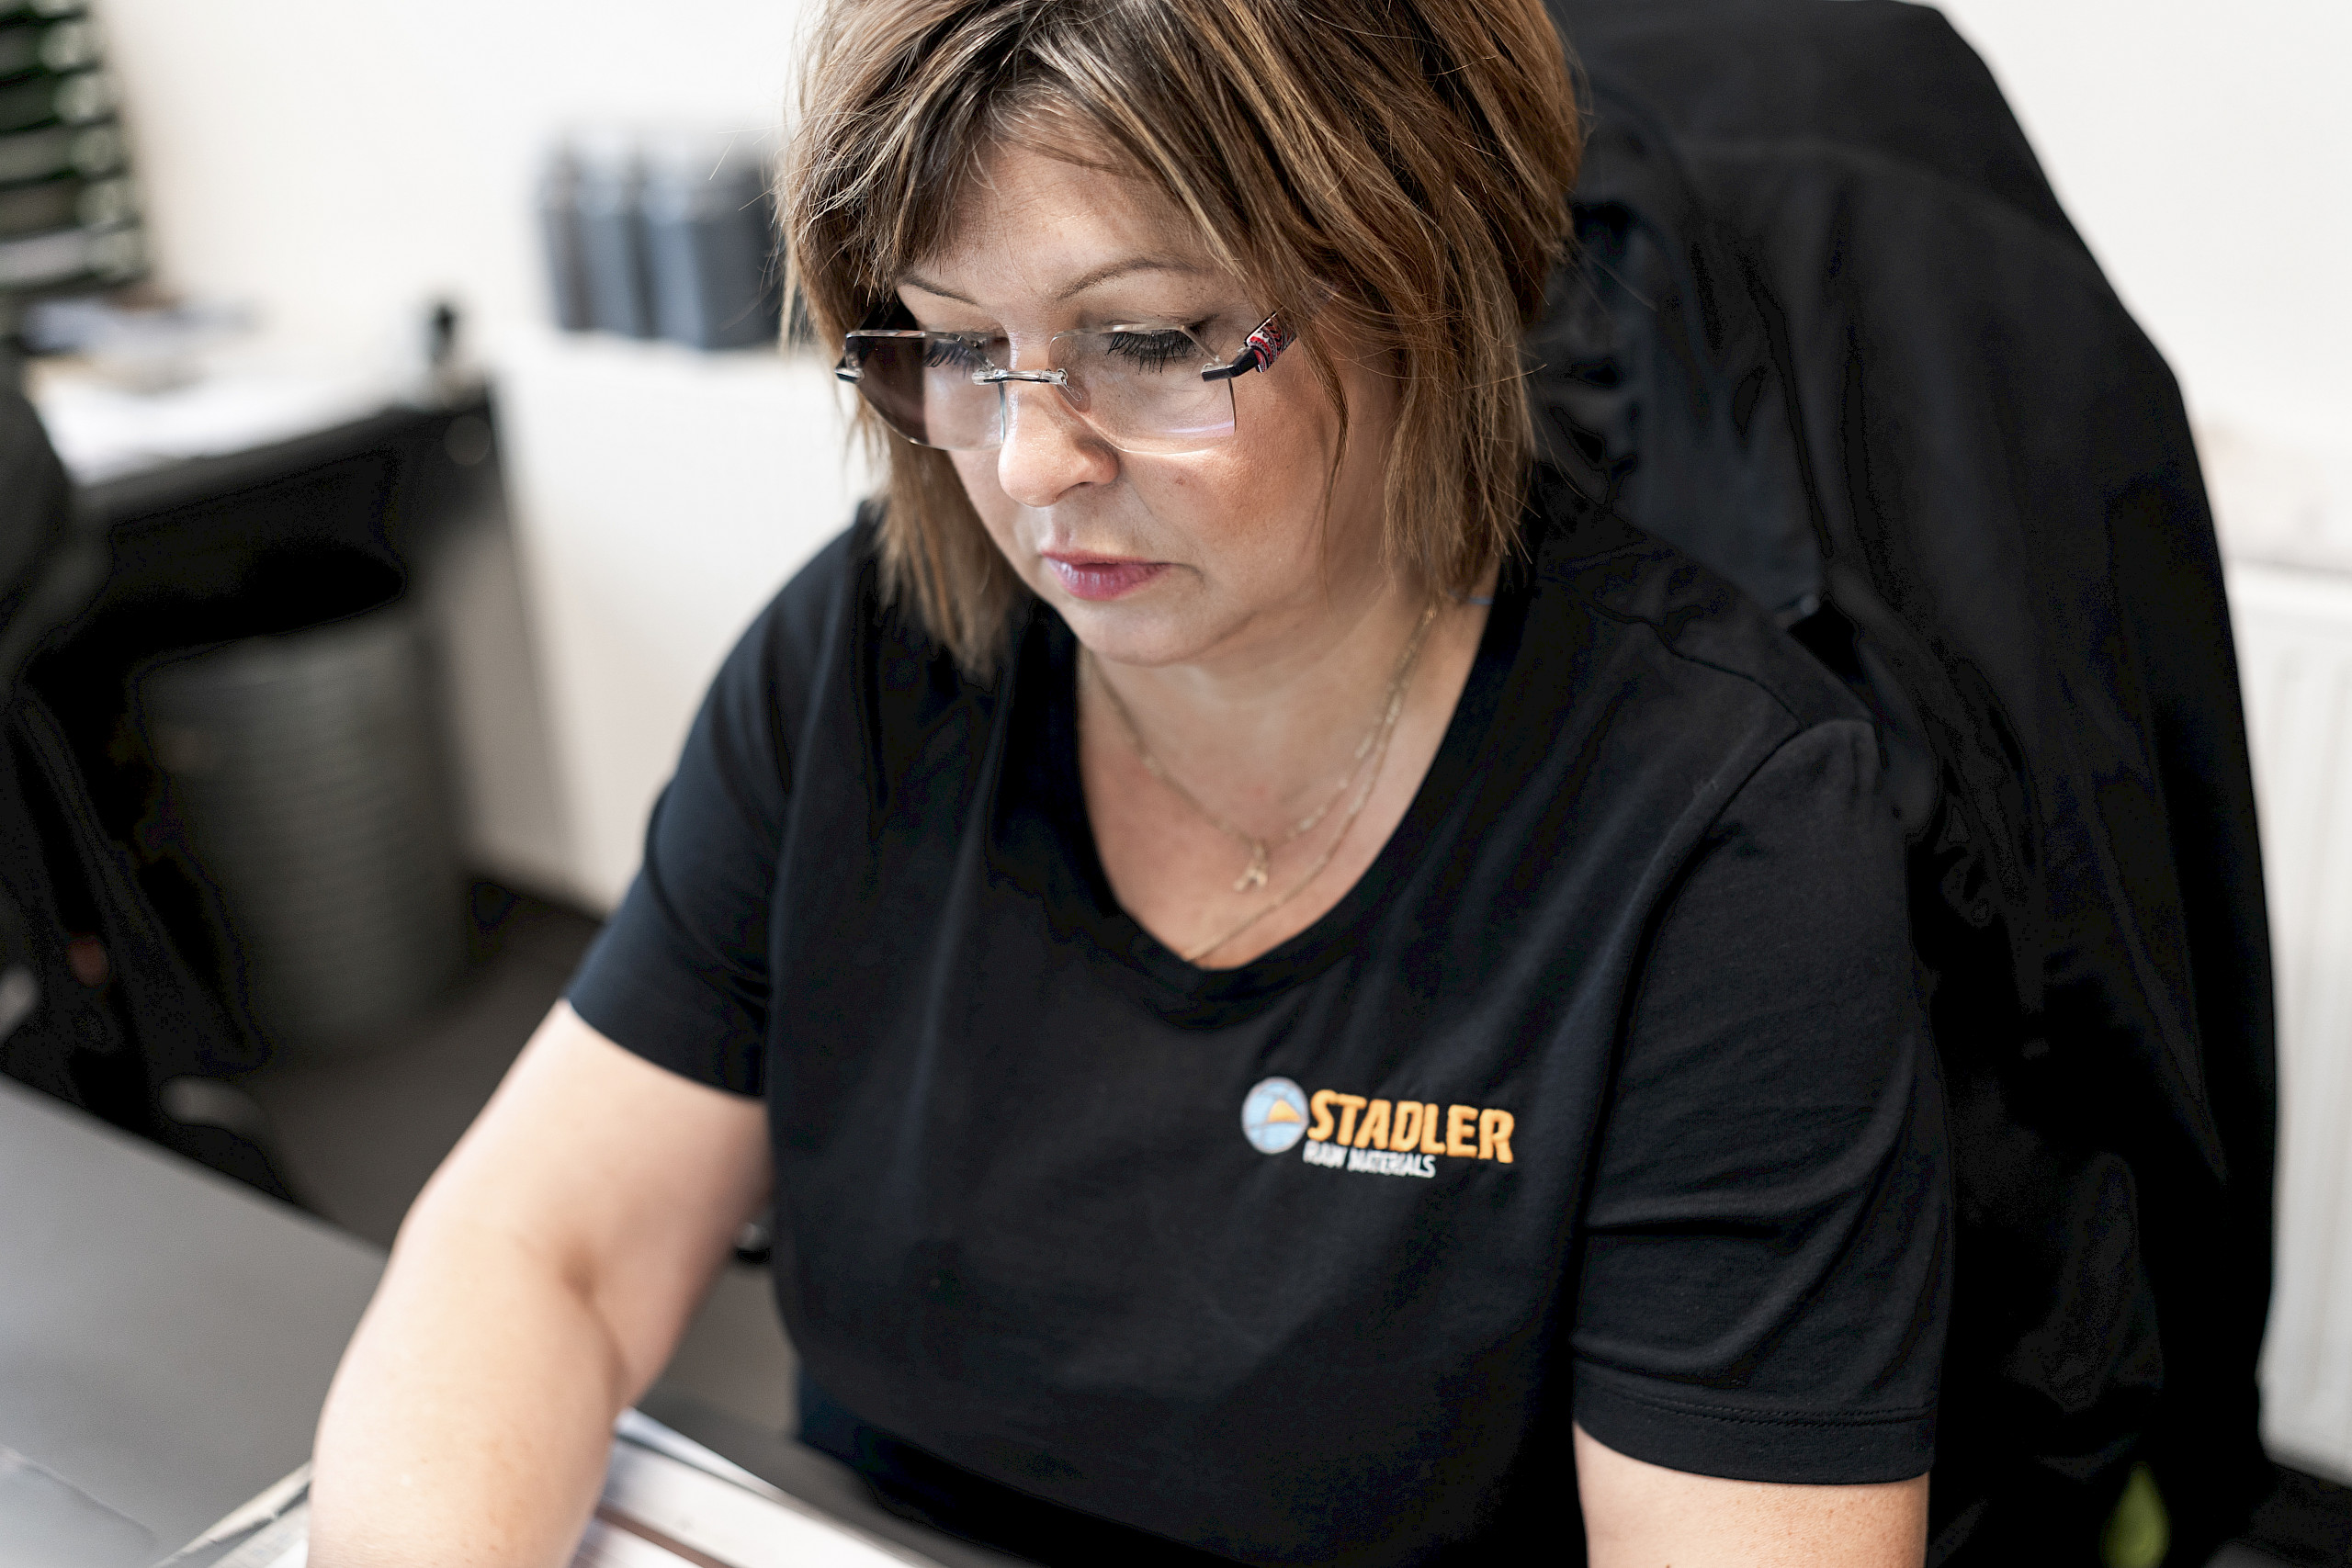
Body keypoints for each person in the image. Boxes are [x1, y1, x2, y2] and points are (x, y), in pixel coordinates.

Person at [309, 0, 1950, 1562]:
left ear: (1424, 282)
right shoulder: (871, 662)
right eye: (954, 345)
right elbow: (545, 1255)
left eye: (1149, 340)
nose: (1030, 467)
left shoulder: (1728, 832)